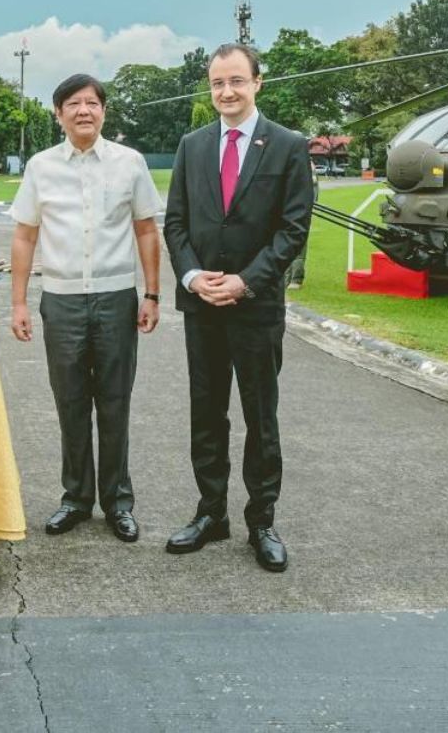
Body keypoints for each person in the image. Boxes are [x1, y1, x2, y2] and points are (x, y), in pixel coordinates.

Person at [162, 43, 313, 572]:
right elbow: (175, 222)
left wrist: (246, 281)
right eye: (218, 84)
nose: (227, 92)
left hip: (256, 307)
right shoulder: (192, 145)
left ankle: (262, 519)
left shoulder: (289, 146)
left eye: (237, 82)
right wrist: (191, 274)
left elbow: (293, 229)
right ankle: (210, 513)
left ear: (257, 83)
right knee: (206, 413)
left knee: (259, 417)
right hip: (202, 305)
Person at [9, 73, 163, 543]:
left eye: (92, 103)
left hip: (116, 297)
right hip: (62, 299)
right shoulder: (40, 167)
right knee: (71, 402)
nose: (84, 111)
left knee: (114, 402)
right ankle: (75, 497)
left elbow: (145, 229)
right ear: (58, 114)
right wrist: (17, 302)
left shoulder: (129, 163)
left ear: (104, 111)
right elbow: (24, 235)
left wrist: (152, 293)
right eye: (73, 103)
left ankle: (118, 501)